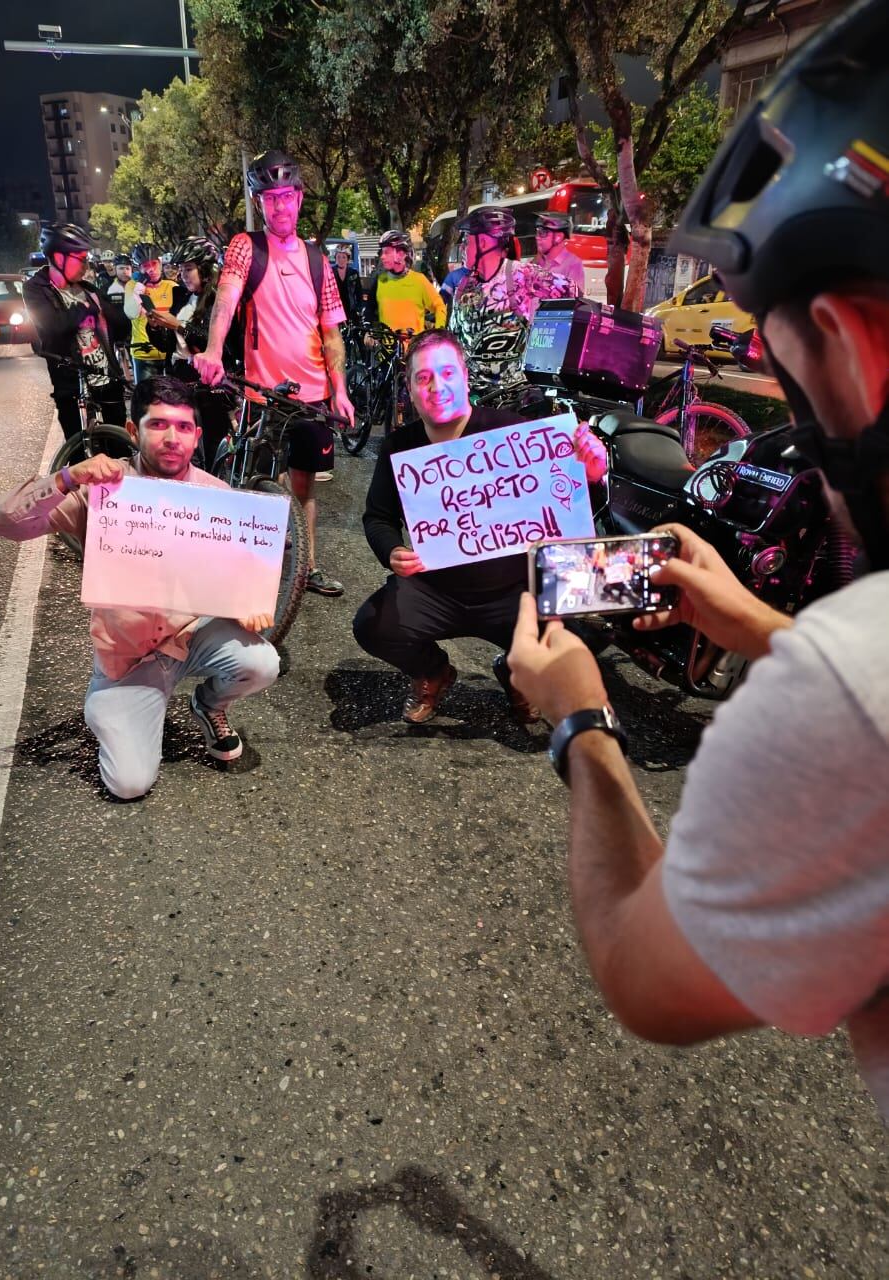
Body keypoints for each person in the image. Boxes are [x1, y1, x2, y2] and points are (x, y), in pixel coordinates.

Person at [507, 0, 889, 1121]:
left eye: (782, 351)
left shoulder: (847, 686)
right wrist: (768, 631)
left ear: (852, 342)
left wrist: (581, 723)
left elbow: (646, 970)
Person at [0, 376, 279, 801]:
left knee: (262, 662)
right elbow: (1, 523)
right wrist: (67, 478)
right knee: (128, 784)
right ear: (132, 430)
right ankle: (114, 707)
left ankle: (209, 705)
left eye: (182, 427)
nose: (171, 438)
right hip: (129, 657)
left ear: (197, 436)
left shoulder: (218, 497)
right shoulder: (103, 490)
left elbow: (243, 574)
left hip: (190, 636)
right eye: (158, 425)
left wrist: (252, 605)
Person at [354, 330, 607, 724]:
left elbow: (564, 515)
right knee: (373, 625)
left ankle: (516, 671)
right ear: (411, 390)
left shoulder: (515, 434)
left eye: (447, 373)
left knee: (571, 642)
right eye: (423, 378)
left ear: (465, 378)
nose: (437, 387)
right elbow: (377, 517)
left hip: (511, 591)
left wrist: (590, 477)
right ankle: (432, 671)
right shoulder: (399, 446)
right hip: (434, 590)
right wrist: (391, 551)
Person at [194, 149, 355, 598]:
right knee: (257, 494)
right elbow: (227, 297)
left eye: (286, 195)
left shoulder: (318, 259)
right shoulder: (247, 247)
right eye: (269, 198)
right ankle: (252, 587)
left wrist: (339, 391)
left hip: (312, 395)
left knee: (304, 488)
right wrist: (211, 351)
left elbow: (331, 333)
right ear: (259, 202)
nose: (279, 206)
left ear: (300, 198)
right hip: (263, 394)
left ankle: (307, 567)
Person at [449, 206, 581, 400]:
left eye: (467, 241)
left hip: (514, 397)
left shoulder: (520, 275)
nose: (462, 249)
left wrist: (543, 335)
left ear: (483, 242)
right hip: (471, 399)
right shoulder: (464, 286)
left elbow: (573, 292)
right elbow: (452, 341)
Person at [23, 223, 130, 442]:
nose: (86, 265)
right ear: (58, 258)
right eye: (80, 258)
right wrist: (85, 310)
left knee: (120, 448)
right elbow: (52, 328)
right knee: (80, 455)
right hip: (71, 384)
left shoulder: (89, 290)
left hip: (107, 378)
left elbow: (122, 327)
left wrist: (109, 312)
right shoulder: (36, 289)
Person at [152, 236, 237, 472]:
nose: (183, 275)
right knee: (182, 450)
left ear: (206, 268)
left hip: (208, 388)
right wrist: (157, 327)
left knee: (207, 453)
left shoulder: (218, 301)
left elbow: (218, 345)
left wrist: (178, 325)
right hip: (179, 380)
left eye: (188, 269)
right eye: (180, 269)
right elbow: (168, 346)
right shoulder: (183, 297)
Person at [364, 230, 447, 339]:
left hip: (413, 351)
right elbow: (369, 309)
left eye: (387, 252)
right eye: (382, 252)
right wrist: (368, 330)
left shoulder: (419, 280)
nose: (382, 257)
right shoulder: (380, 281)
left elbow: (439, 306)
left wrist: (439, 331)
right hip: (387, 350)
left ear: (401, 254)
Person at [124, 242, 177, 383]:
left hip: (170, 356)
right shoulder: (132, 286)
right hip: (144, 356)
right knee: (146, 401)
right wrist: (140, 286)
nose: (151, 269)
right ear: (139, 268)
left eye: (154, 264)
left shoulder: (171, 286)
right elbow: (131, 312)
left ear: (160, 263)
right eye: (146, 266)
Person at [532, 212, 586, 296]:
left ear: (558, 237)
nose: (537, 237)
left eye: (542, 233)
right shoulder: (536, 262)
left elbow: (574, 300)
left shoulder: (573, 264)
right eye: (537, 232)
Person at [332, 244, 363, 326]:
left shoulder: (353, 273)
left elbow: (358, 292)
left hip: (351, 310)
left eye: (343, 257)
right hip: (335, 310)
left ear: (348, 259)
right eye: (338, 257)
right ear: (335, 258)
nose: (341, 260)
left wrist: (359, 308)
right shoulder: (330, 272)